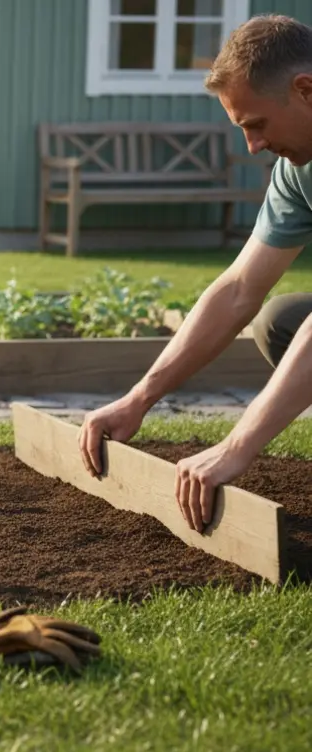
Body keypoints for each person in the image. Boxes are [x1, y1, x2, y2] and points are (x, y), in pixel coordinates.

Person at [78, 13, 312, 533]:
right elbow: (238, 290)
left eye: (257, 124)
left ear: (305, 90)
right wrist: (139, 399)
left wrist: (235, 447)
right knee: (280, 321)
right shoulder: (299, 171)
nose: (252, 146)